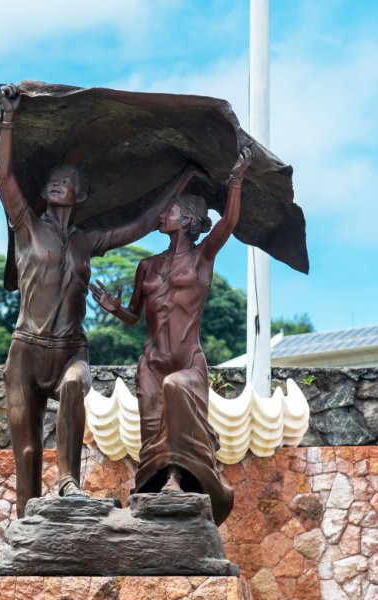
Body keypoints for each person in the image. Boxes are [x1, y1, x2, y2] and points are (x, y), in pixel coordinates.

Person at [0, 83, 196, 518]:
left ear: (80, 196)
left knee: (73, 385)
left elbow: (142, 223)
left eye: (64, 182)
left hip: (71, 348)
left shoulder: (87, 242)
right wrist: (9, 119)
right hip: (26, 349)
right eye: (51, 181)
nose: (55, 185)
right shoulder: (26, 226)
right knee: (27, 452)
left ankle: (69, 481)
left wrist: (183, 179)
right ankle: (29, 525)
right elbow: (5, 179)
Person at [90, 145, 253, 525]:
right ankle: (152, 492)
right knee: (151, 428)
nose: (162, 215)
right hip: (152, 361)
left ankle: (180, 479)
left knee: (177, 391)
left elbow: (227, 223)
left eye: (170, 210)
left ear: (190, 218)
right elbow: (134, 314)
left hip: (187, 360)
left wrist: (236, 181)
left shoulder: (202, 257)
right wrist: (115, 310)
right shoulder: (146, 266)